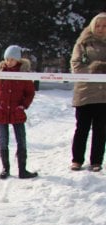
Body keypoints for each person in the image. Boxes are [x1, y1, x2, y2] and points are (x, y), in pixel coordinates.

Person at [0, 45, 37, 180]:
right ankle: (5, 169)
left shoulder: (24, 75)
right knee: (3, 141)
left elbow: (30, 93)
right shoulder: (0, 74)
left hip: (17, 113)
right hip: (2, 112)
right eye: (7, 59)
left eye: (12, 59)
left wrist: (23, 106)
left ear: (18, 60)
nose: (9, 62)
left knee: (21, 140)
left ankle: (22, 169)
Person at [69, 12, 106, 172]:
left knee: (101, 129)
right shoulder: (82, 43)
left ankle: (96, 161)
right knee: (81, 128)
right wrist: (94, 68)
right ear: (92, 26)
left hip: (104, 96)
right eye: (98, 25)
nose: (100, 29)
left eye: (105, 26)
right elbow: (76, 66)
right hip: (84, 93)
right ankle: (77, 160)